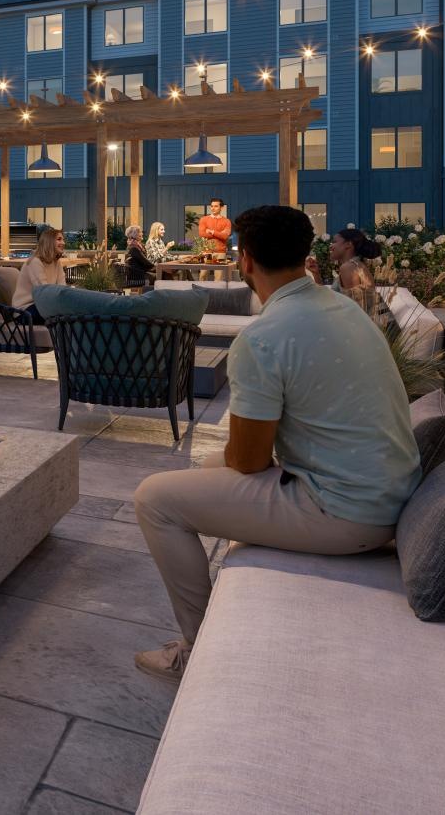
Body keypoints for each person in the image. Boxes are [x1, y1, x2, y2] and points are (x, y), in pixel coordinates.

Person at [131, 206, 418, 683]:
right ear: (306, 255)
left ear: (244, 260)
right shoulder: (342, 307)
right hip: (386, 491)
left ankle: (198, 648)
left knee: (155, 499)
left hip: (346, 513)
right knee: (204, 463)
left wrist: (232, 456)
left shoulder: (264, 338)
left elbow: (247, 461)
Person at [12, 227, 66, 308]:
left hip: (43, 304)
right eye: (59, 239)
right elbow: (43, 292)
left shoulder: (56, 262)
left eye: (63, 239)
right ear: (49, 242)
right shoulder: (35, 262)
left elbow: (62, 287)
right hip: (26, 308)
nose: (63, 243)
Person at [124, 225, 155, 291]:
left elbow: (145, 263)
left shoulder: (137, 246)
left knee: (163, 273)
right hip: (137, 276)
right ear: (134, 235)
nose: (142, 233)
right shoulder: (133, 248)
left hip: (140, 272)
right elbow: (145, 262)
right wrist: (157, 267)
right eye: (140, 232)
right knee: (162, 274)